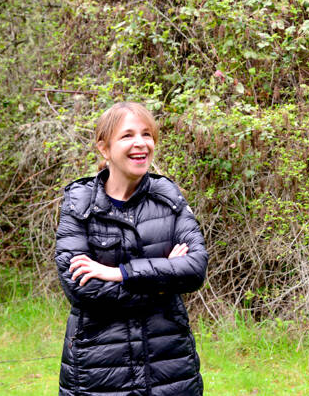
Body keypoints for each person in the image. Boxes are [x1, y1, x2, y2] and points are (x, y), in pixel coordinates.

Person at [55, 102, 208, 396]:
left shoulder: (169, 197)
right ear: (104, 148)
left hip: (169, 369)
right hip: (98, 372)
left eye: (147, 134)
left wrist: (119, 273)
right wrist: (163, 283)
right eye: (127, 136)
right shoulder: (79, 204)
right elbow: (81, 288)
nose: (141, 143)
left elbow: (194, 270)